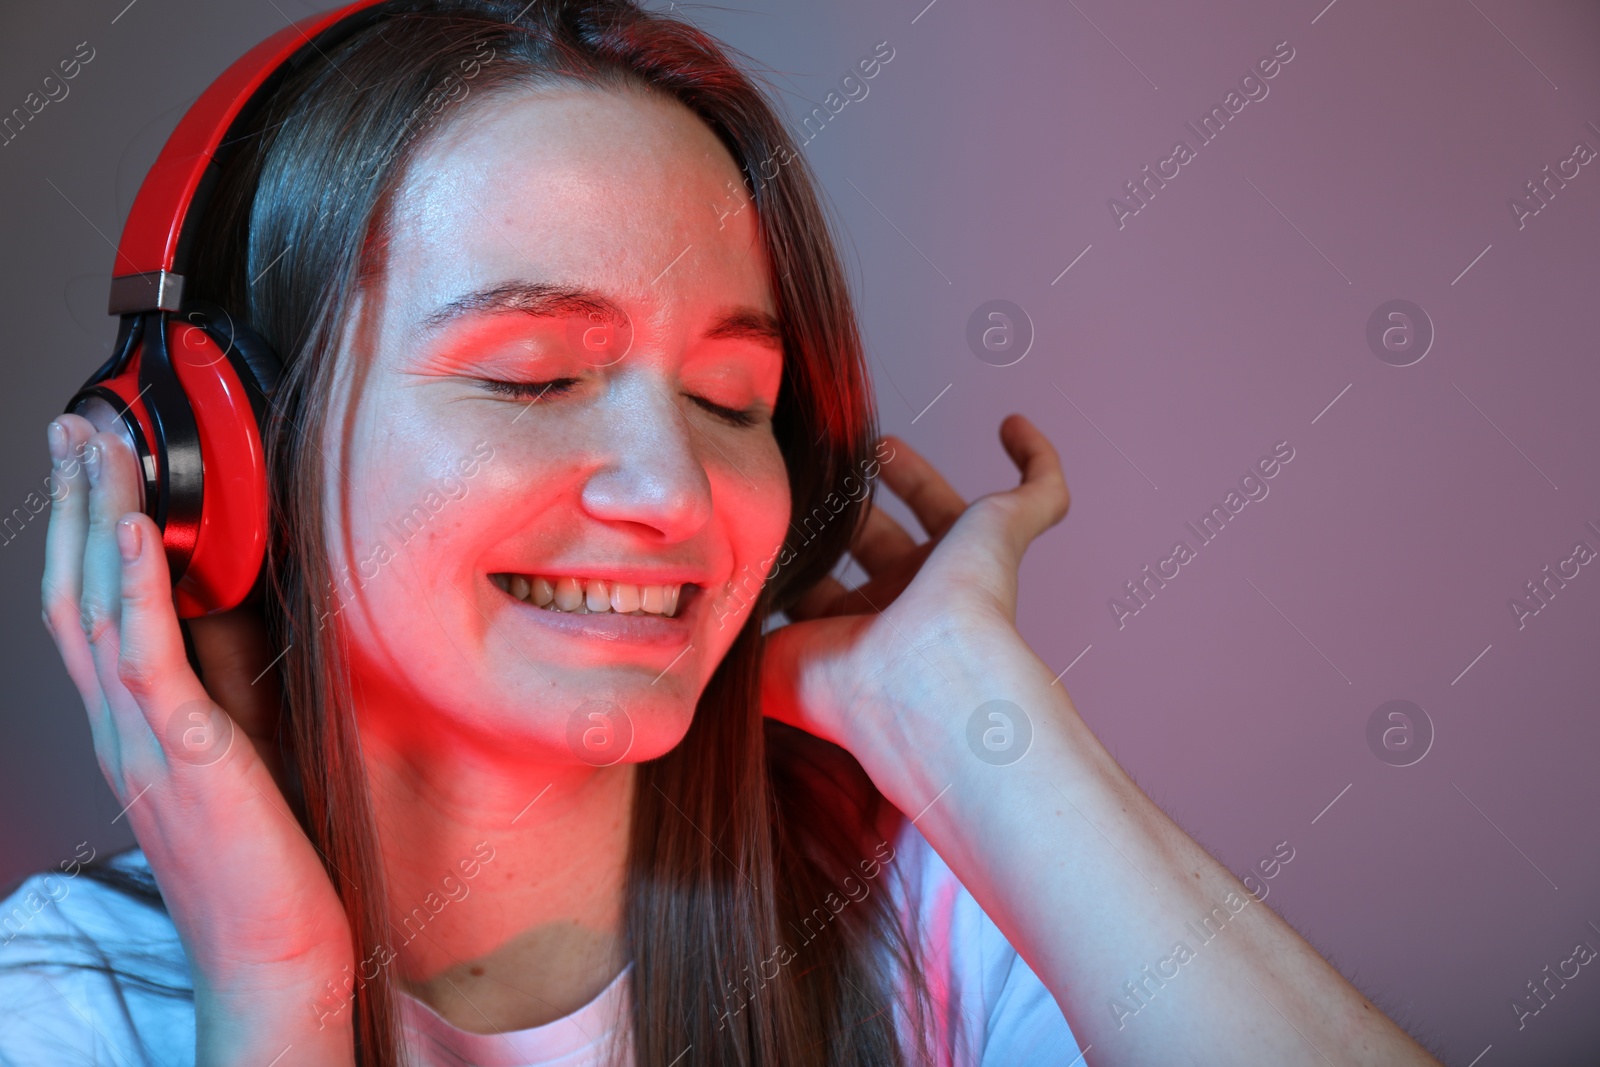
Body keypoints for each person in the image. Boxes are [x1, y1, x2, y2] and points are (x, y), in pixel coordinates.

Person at [2, 1, 1445, 1064]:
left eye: (731, 398)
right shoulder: (69, 1002)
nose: (676, 494)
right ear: (213, 457)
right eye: (535, 378)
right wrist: (281, 1000)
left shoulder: (922, 930)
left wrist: (971, 720)